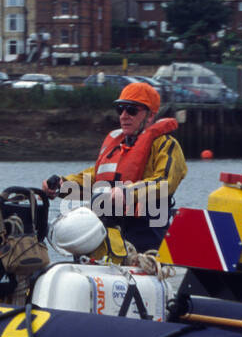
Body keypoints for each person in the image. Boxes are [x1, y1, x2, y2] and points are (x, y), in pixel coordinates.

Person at [42, 81, 186, 253]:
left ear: (150, 116)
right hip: (108, 230)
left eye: (132, 110)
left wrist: (127, 193)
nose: (124, 115)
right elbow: (95, 179)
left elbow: (165, 183)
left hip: (146, 230)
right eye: (121, 109)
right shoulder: (115, 147)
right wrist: (62, 186)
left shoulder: (166, 145)